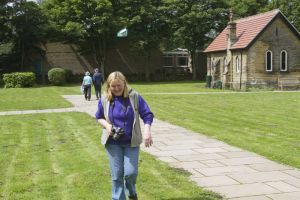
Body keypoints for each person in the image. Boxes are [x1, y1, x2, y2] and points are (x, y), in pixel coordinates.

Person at [95, 71, 154, 200]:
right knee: (117, 175)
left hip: (131, 142)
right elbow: (98, 116)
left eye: (119, 85)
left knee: (130, 173)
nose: (116, 89)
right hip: (112, 142)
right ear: (108, 86)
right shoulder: (105, 98)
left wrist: (147, 131)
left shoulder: (134, 97)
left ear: (124, 83)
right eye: (113, 86)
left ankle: (132, 193)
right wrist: (107, 126)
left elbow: (147, 114)